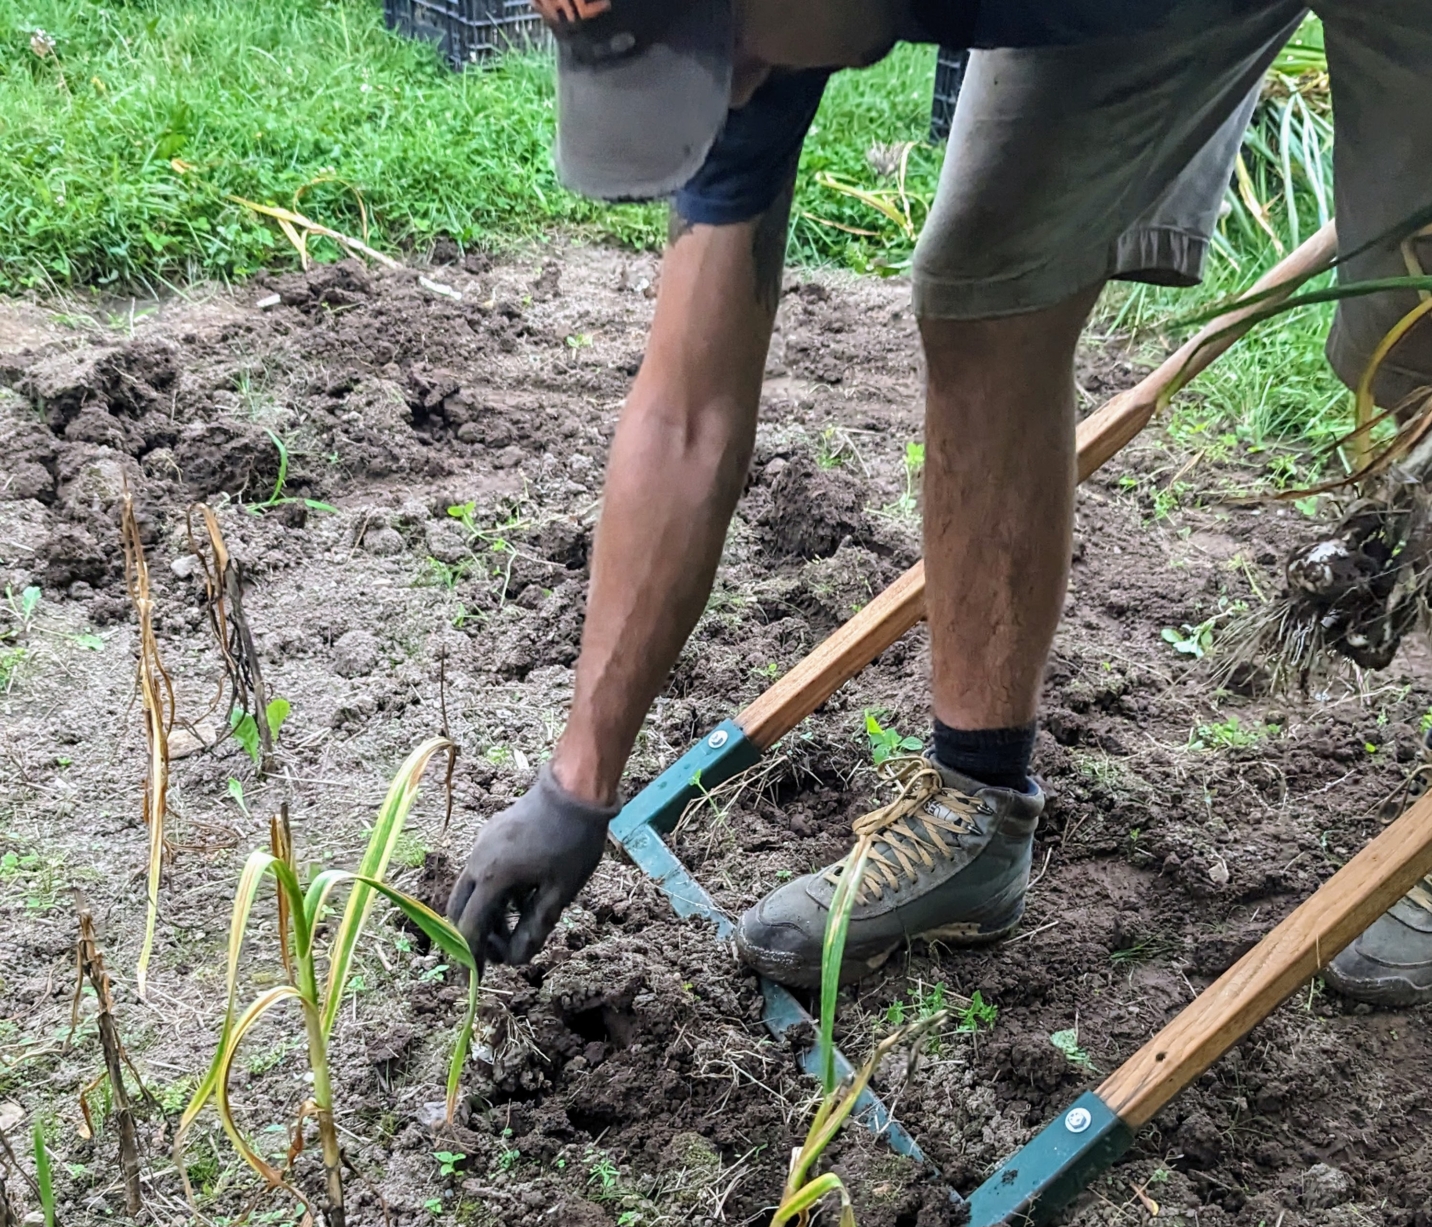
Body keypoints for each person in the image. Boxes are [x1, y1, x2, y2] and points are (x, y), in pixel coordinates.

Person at [449, 0, 1432, 999]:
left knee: (1409, 358)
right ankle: (975, 808)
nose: (734, 92)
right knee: (991, 283)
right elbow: (686, 416)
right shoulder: (743, 40)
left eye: (725, 53)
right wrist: (577, 783)